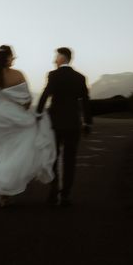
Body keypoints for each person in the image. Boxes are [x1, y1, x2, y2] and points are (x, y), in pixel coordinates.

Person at [0, 45, 56, 207]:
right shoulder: (18, 75)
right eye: (12, 56)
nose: (13, 59)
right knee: (11, 155)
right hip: (13, 118)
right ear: (7, 58)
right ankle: (4, 193)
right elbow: (27, 101)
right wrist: (21, 110)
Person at [36, 47, 92, 207]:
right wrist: (87, 122)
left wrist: (38, 113)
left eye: (56, 56)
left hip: (55, 123)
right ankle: (66, 194)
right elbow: (86, 101)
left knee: (53, 157)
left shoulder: (53, 75)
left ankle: (53, 189)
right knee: (70, 159)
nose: (54, 60)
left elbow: (45, 94)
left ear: (63, 57)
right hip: (73, 123)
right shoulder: (80, 77)